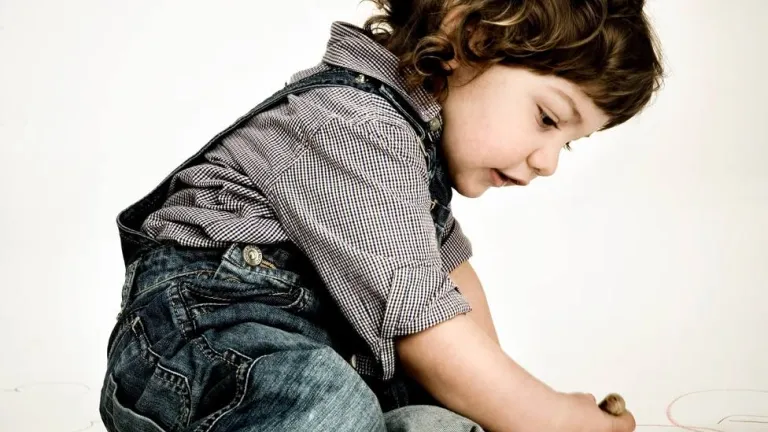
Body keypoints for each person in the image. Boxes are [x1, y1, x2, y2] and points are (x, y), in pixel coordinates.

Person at [99, 0, 664, 431]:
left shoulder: (415, 163)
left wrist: (507, 410)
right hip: (202, 351)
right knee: (324, 402)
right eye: (547, 119)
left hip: (321, 358)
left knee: (438, 421)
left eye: (568, 143)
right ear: (470, 38)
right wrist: (548, 417)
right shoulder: (356, 125)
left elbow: (453, 294)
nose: (548, 162)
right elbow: (425, 330)